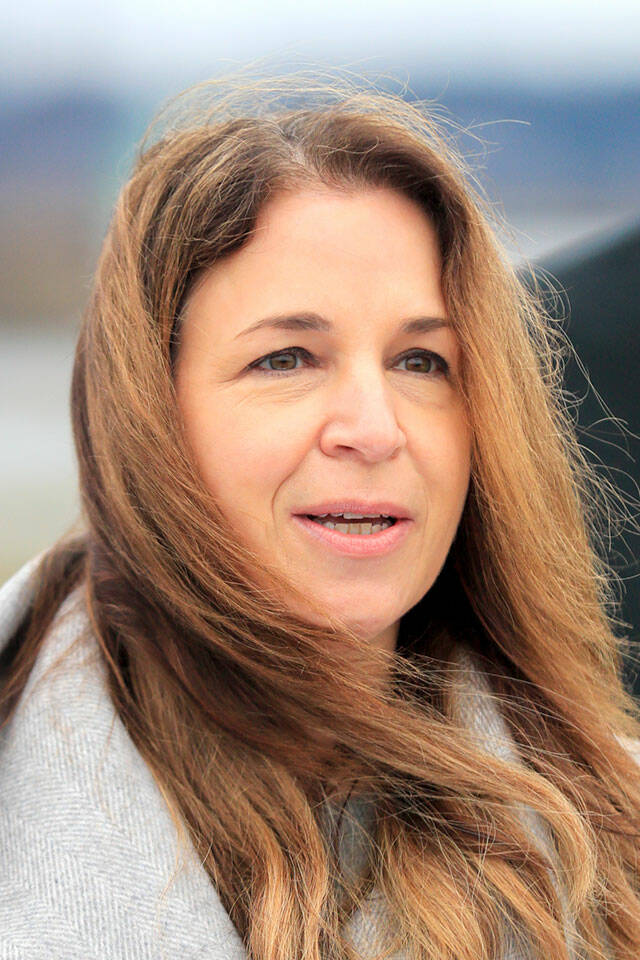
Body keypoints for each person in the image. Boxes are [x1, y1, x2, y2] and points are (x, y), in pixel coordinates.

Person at [1, 70, 639, 960]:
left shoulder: (612, 841)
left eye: (422, 362)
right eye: (287, 358)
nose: (375, 431)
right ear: (145, 417)